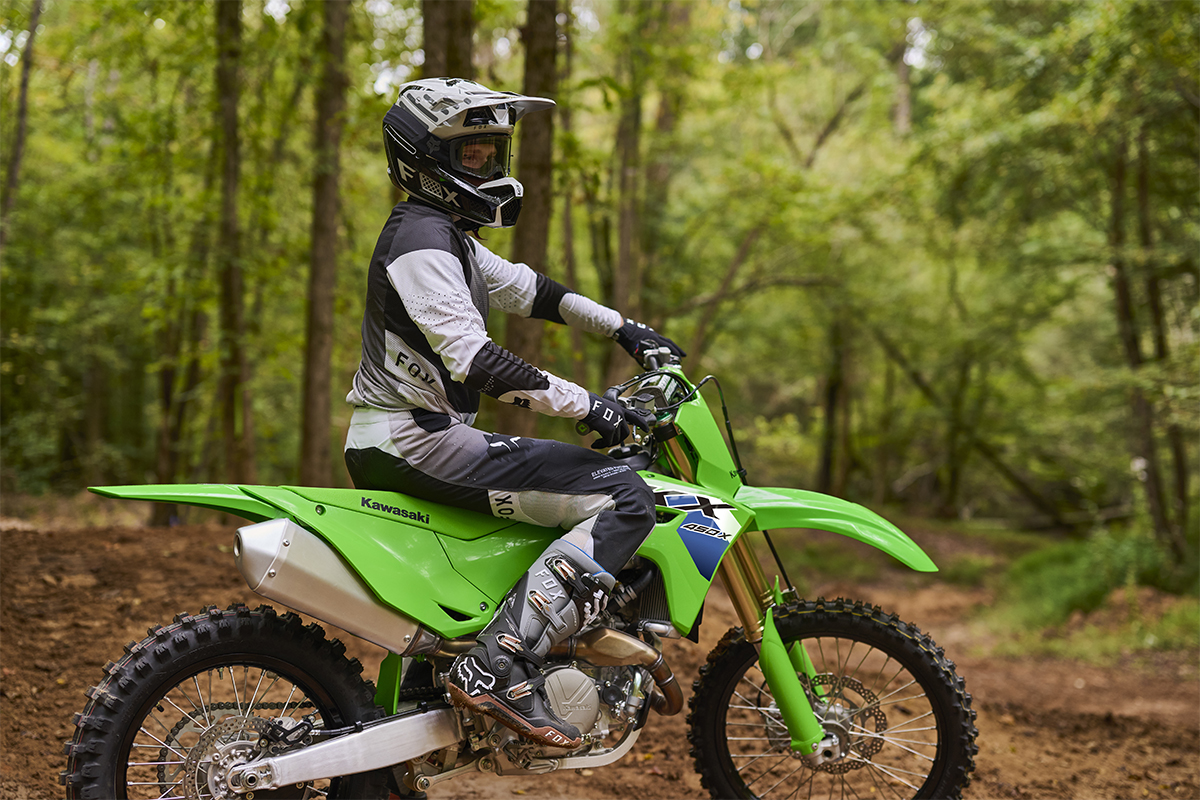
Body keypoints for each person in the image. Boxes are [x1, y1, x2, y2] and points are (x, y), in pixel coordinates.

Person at [343, 78, 685, 749]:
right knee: (623, 498)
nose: (489, 169)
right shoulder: (420, 241)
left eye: (493, 153)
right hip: (413, 440)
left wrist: (626, 329)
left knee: (587, 481)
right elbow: (475, 360)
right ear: (423, 157)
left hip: (418, 436)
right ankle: (499, 662)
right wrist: (589, 406)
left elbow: (536, 291)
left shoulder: (450, 240)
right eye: (472, 155)